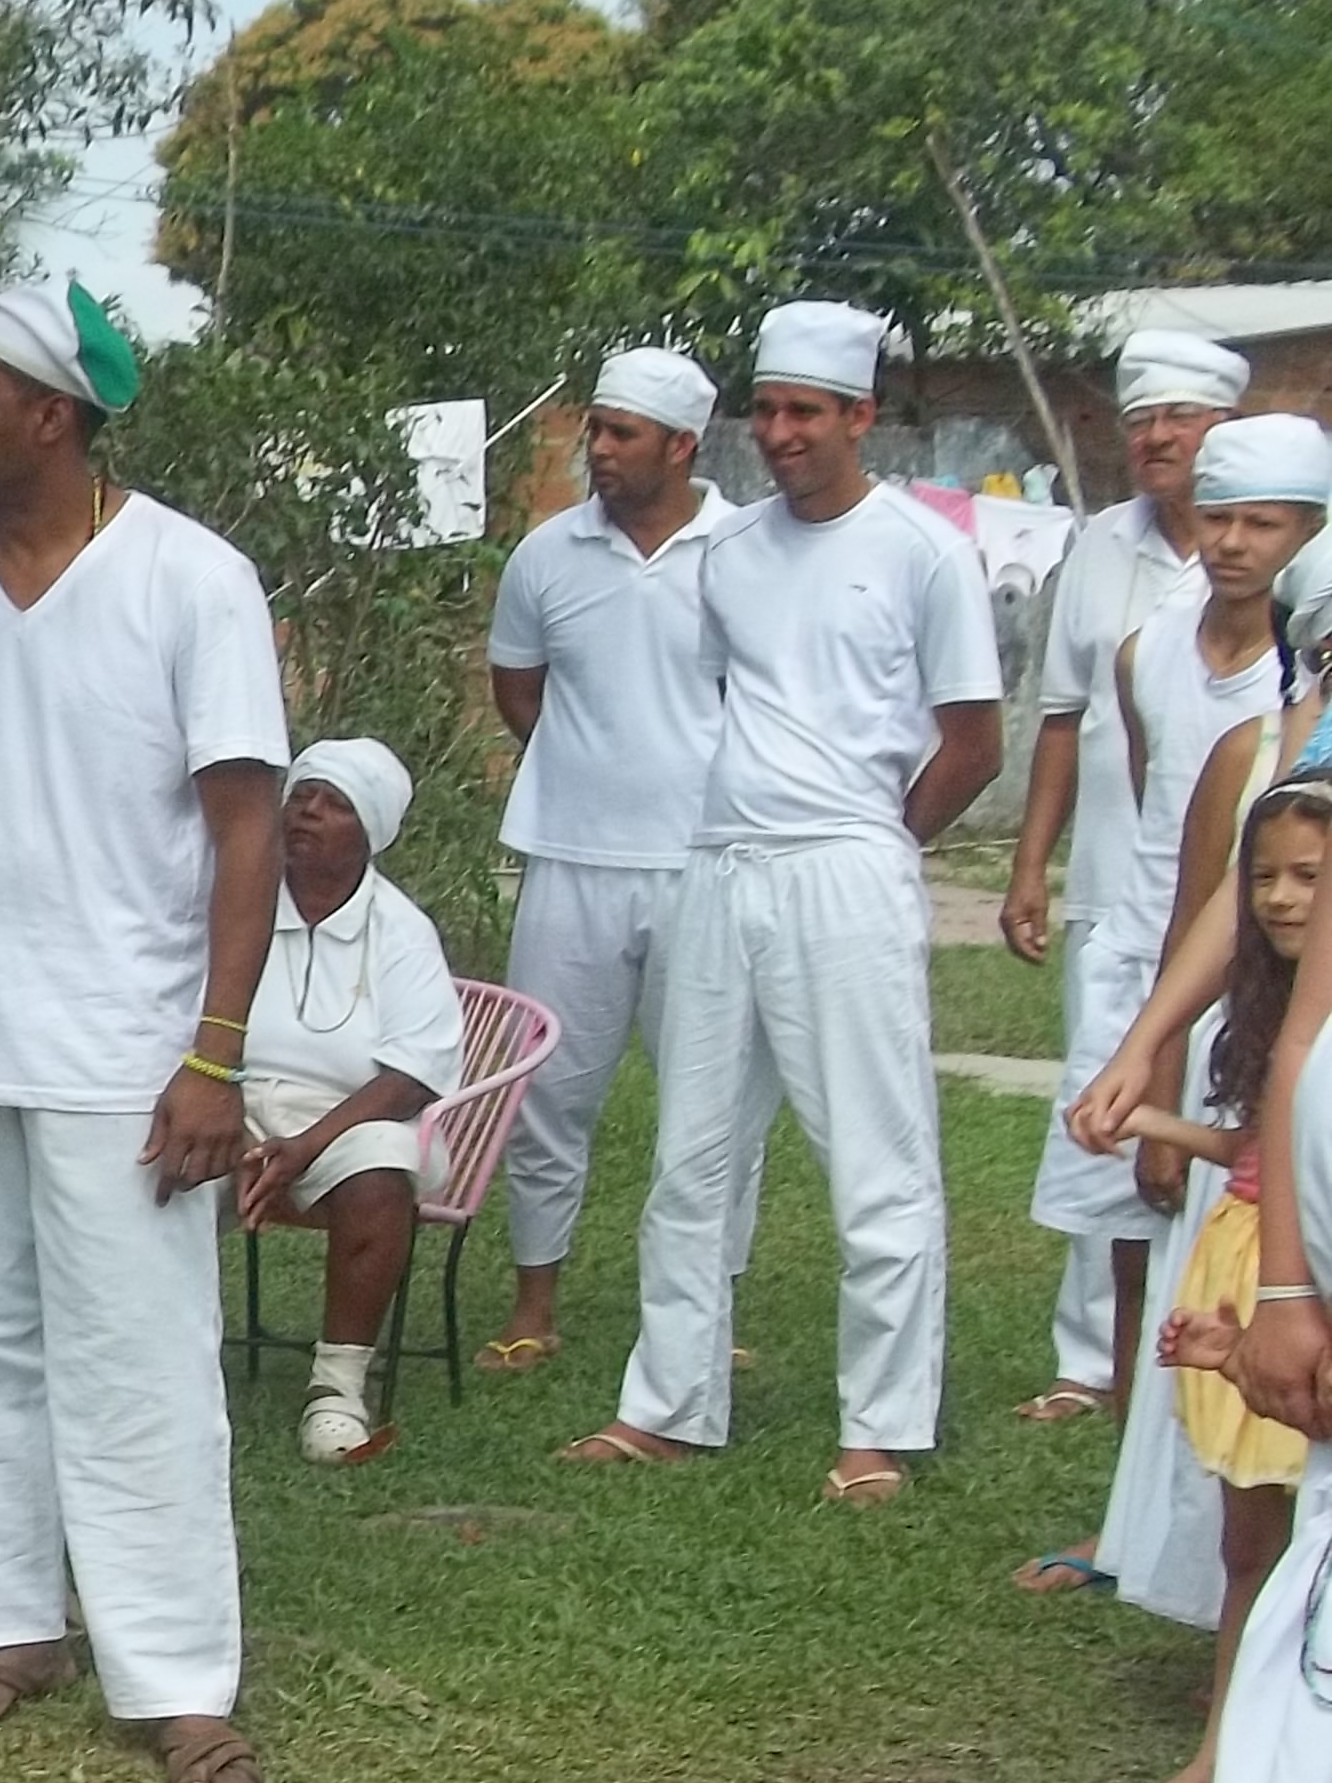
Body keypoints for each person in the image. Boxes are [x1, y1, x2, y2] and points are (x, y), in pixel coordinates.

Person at [0, 277, 285, 1783]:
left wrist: (214, 1054)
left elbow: (246, 825)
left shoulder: (190, 582)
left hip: (123, 1050)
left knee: (138, 1360)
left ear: (56, 416)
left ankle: (175, 1685)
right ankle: (8, 1628)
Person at [564, 299, 1003, 1504]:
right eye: (765, 409)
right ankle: (669, 1404)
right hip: (718, 866)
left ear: (860, 416)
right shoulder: (732, 553)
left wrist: (876, 837)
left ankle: (880, 1427)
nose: (781, 432)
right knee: (691, 1156)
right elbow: (722, 705)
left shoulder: (925, 551)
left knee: (876, 1155)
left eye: (805, 411)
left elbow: (972, 741)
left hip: (845, 869)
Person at [1050, 426, 1332, 1621]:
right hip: (1283, 1112)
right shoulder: (1269, 747)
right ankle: (1242, 1672)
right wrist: (1142, 1053)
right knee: (1242, 1424)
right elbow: (1211, 912)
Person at [478, 346, 742, 1378]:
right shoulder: (545, 557)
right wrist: (592, 770)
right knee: (549, 1090)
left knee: (710, 1096)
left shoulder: (742, 550)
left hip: (706, 865)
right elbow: (518, 691)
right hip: (570, 858)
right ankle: (533, 1300)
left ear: (682, 446)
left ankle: (703, 1310)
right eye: (594, 428)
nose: (597, 449)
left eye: (619, 433)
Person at [1084, 787, 1331, 1783]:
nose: (1279, 899)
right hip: (1243, 1264)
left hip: (1288, 1270)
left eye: (1305, 879)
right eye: (1263, 876)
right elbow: (1250, 1144)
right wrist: (1148, 1108)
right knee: (1250, 1543)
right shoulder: (1266, 1003)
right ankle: (1224, 1758)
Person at [1008, 331, 1240, 1422]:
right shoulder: (1098, 545)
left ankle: (1205, 1332)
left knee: (1218, 1101)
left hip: (1244, 889)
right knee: (1102, 1100)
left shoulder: (1267, 554)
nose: (1155, 437)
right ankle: (1090, 1362)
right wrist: (1028, 867)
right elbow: (1061, 717)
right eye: (1141, 419)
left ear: (1222, 431)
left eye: (1178, 419)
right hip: (1116, 877)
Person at [235, 738, 464, 1465]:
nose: (307, 814)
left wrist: (305, 1146)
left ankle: (336, 1392)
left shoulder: (402, 933)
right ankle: (150, 1363)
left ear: (370, 831)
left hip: (353, 1114)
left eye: (332, 805)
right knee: (145, 1152)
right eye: (300, 797)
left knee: (380, 1177)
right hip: (231, 1096)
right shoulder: (234, 902)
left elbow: (413, 1076)